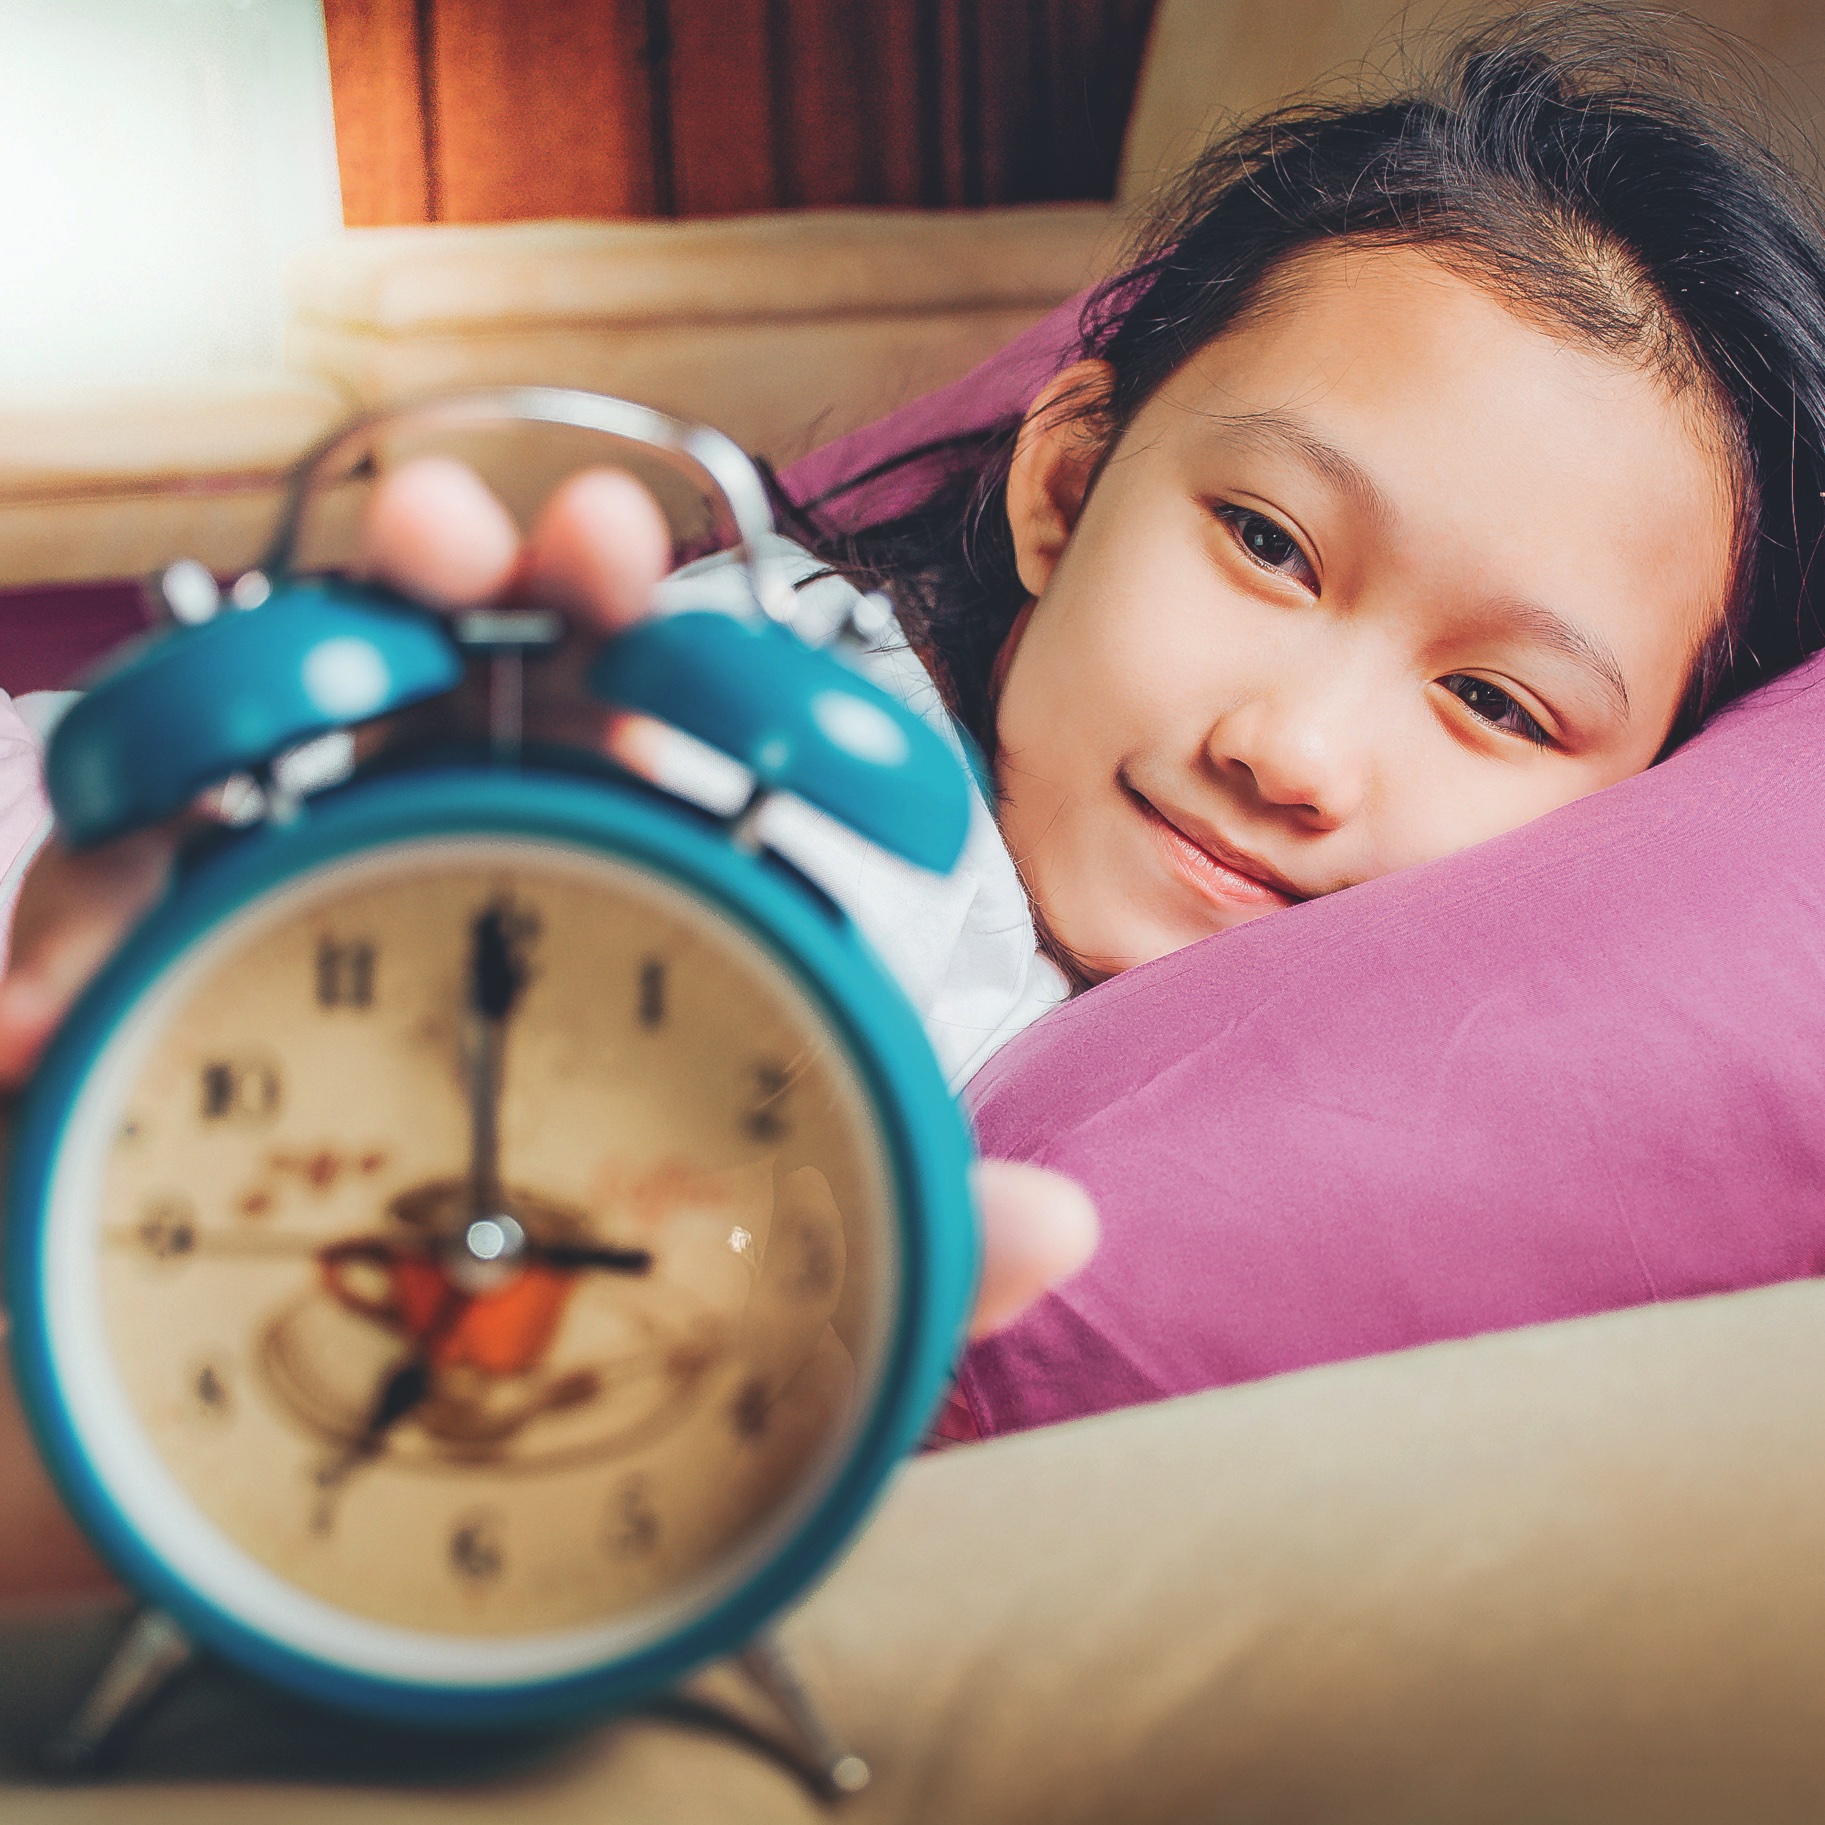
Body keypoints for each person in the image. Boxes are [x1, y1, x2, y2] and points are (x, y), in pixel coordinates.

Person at [4, 11, 1825, 1570]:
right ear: (1062, 487)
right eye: (1266, 542)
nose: (1289, 749)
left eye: (1494, 701)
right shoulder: (822, 812)